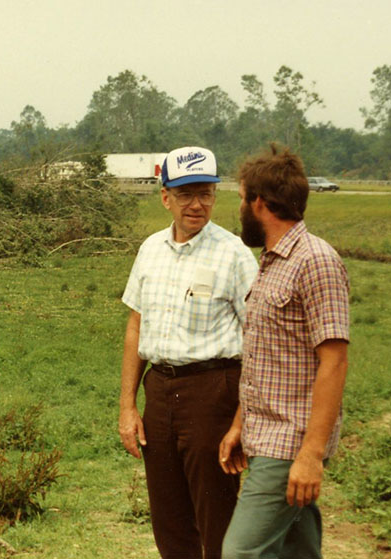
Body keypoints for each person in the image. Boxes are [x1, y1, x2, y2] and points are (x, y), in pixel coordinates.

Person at [119, 146, 258, 559]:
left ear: (216, 196)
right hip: (158, 392)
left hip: (212, 393)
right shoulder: (150, 250)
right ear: (166, 197)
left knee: (217, 514)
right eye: (185, 195)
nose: (197, 205)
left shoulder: (234, 254)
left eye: (206, 193)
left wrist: (240, 417)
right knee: (168, 518)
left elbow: (259, 341)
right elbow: (135, 326)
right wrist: (128, 406)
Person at [219, 144, 349, 559]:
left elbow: (334, 362)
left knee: (240, 552)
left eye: (241, 199)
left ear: (259, 203)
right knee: (298, 550)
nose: (239, 208)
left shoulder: (315, 261)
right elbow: (267, 359)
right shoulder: (273, 262)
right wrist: (242, 422)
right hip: (265, 436)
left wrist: (310, 456)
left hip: (289, 442)